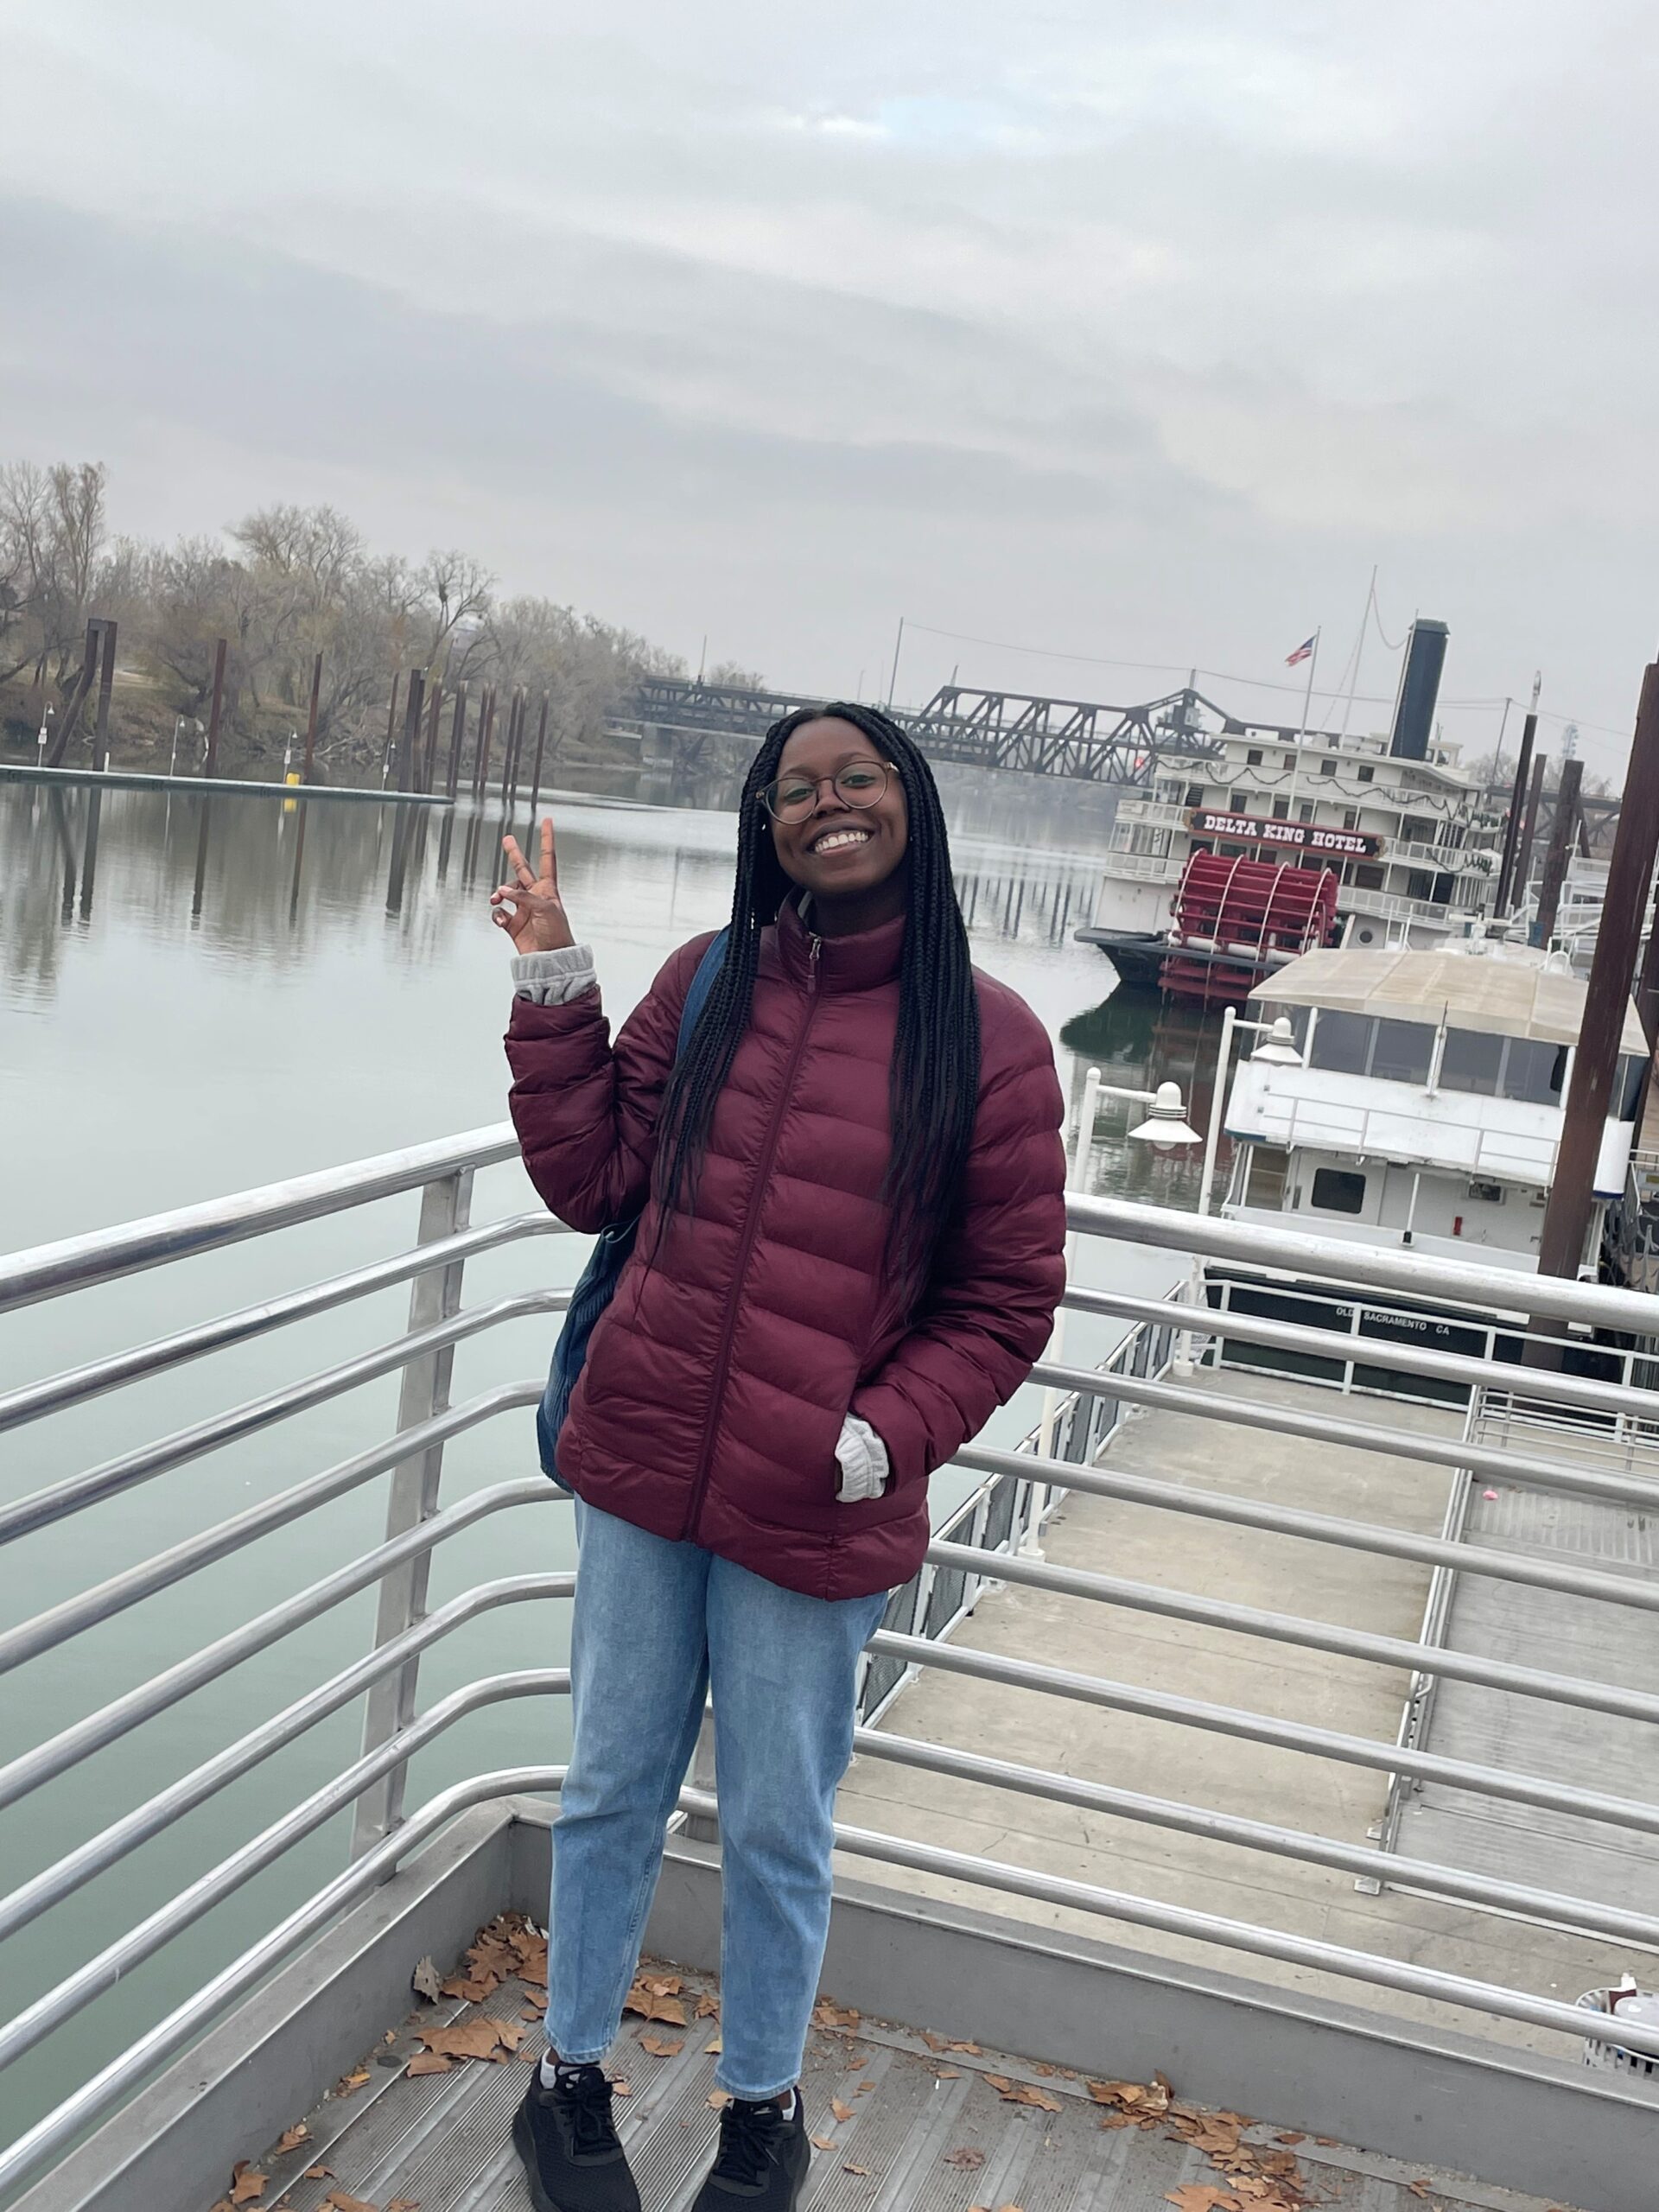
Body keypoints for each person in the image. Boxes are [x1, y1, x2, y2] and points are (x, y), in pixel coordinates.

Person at [493, 702, 1066, 2212]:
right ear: (768, 828)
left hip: (818, 1499)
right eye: (796, 789)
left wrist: (887, 1433)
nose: (828, 805)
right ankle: (567, 2085)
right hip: (642, 1471)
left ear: (910, 805)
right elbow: (595, 1177)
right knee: (612, 1784)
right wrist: (554, 975)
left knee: (773, 1825)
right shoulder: (711, 979)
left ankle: (763, 2112)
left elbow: (1007, 1301)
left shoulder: (991, 1040)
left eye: (857, 779)